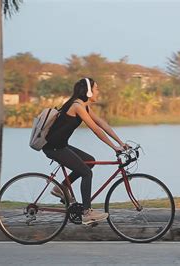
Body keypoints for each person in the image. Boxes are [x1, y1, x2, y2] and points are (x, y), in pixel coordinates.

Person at [42, 77, 126, 225]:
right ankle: (86, 213)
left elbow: (101, 123)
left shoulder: (83, 106)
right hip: (53, 147)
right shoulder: (77, 106)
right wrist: (113, 147)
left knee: (90, 161)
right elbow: (95, 129)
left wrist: (120, 143)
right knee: (86, 172)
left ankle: (60, 188)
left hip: (61, 145)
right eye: (96, 89)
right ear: (88, 91)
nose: (98, 92)